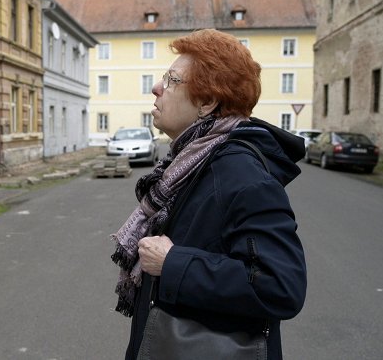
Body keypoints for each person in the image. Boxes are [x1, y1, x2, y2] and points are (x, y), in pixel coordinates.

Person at [110, 29, 307, 360]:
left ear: (207, 102)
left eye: (172, 81)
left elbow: (280, 285)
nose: (156, 88)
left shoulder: (241, 174)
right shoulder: (188, 163)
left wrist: (174, 263)